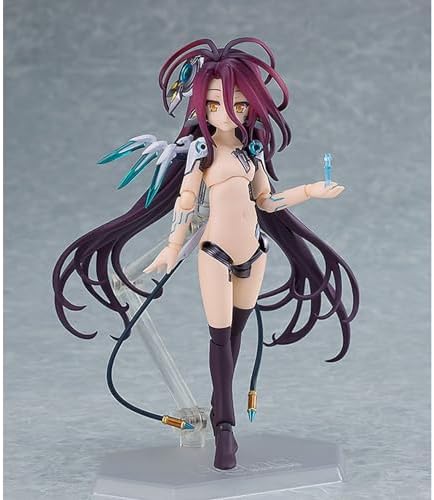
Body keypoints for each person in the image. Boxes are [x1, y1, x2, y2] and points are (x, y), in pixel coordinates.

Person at [53, 38, 359, 471]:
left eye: (238, 104)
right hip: (215, 254)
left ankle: (220, 411)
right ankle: (226, 429)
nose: (226, 113)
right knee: (220, 339)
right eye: (215, 104)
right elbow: (184, 203)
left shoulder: (252, 156)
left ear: (251, 108)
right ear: (201, 107)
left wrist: (312, 190)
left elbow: (267, 202)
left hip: (255, 253)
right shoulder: (202, 155)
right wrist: (171, 248)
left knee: (235, 338)